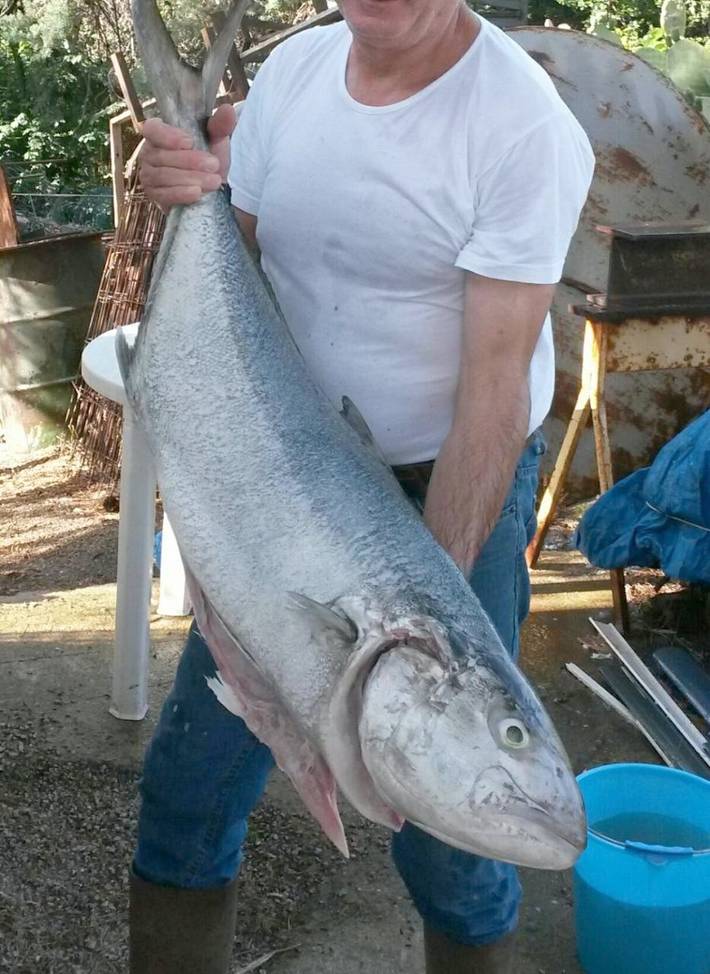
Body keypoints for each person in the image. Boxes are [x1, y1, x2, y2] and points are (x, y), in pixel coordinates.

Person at [132, 2, 594, 972]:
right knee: (190, 783)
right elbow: (230, 264)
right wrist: (183, 187)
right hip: (284, 472)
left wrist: (413, 606)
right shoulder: (297, 75)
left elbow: (493, 396)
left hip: (445, 483)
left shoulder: (522, 127)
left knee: (451, 834)